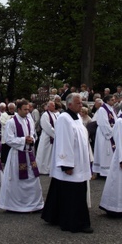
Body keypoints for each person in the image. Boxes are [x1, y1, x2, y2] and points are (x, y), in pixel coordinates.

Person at [41, 93, 93, 233]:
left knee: (74, 192)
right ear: (69, 104)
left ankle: (57, 216)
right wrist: (66, 164)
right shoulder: (64, 118)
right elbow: (64, 141)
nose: (81, 105)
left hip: (80, 162)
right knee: (73, 195)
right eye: (78, 103)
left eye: (81, 103)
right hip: (71, 165)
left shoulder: (77, 118)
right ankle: (75, 223)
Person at [0, 99, 44, 213]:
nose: (27, 111)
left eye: (28, 109)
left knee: (33, 178)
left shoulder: (29, 120)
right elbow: (8, 139)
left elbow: (34, 135)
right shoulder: (11, 122)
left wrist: (32, 139)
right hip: (17, 155)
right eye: (25, 109)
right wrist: (24, 140)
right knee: (16, 180)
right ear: (18, 110)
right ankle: (15, 205)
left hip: (29, 153)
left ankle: (34, 204)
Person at [93, 95, 117, 177]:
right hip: (104, 134)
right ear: (107, 101)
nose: (114, 101)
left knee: (110, 152)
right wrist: (110, 133)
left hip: (111, 131)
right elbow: (103, 122)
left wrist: (116, 129)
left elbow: (115, 120)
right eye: (112, 100)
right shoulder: (102, 109)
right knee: (104, 151)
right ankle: (103, 171)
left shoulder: (112, 109)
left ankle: (110, 169)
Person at [36, 101, 57, 175]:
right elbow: (47, 126)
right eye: (52, 105)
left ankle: (49, 168)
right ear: (48, 107)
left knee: (50, 154)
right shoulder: (45, 115)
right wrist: (55, 134)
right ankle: (42, 169)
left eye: (54, 105)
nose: (54, 107)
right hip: (47, 137)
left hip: (52, 137)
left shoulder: (54, 115)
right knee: (44, 154)